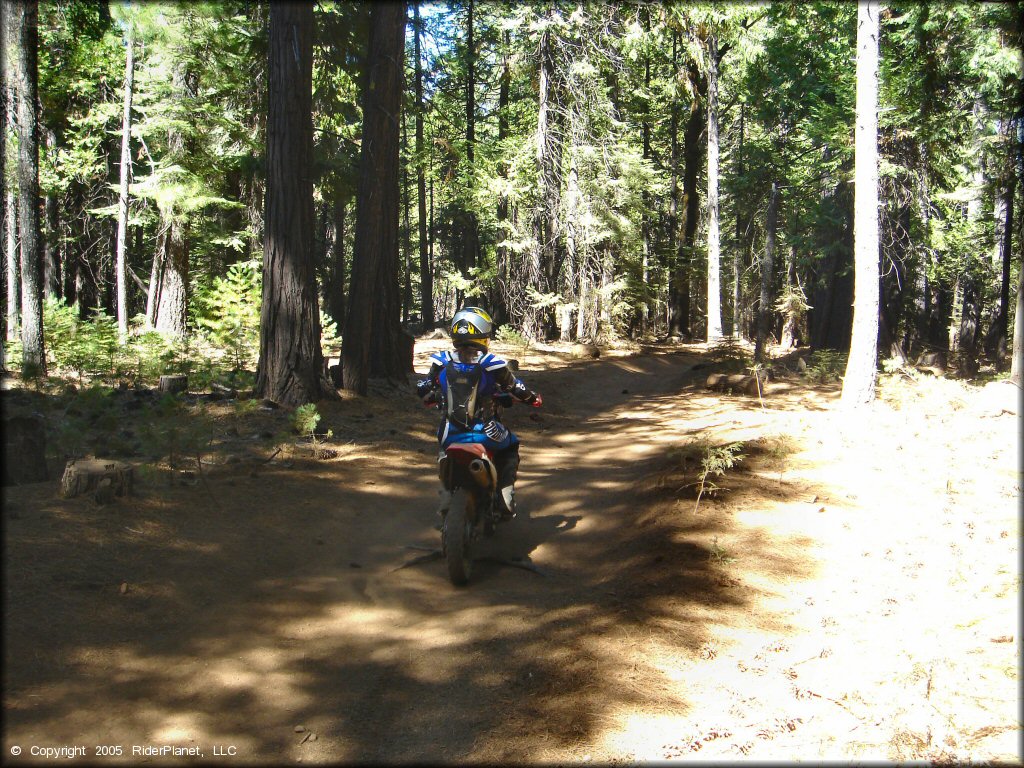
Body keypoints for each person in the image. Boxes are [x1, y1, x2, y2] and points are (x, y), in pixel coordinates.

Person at [416, 306, 542, 519]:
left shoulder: (441, 361)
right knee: (511, 444)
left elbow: (423, 388)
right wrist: (533, 399)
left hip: (449, 432)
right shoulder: (491, 363)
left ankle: (447, 490)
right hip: (486, 431)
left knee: (444, 452)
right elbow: (516, 388)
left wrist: (435, 396)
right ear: (484, 333)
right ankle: (505, 498)